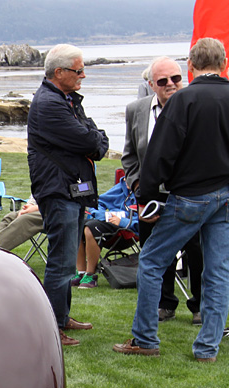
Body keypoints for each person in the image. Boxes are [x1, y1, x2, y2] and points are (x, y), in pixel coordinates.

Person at [114, 38, 229, 362]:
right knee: (218, 270)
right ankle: (207, 348)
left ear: (190, 66)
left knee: (151, 262)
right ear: (223, 64)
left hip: (190, 196)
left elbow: (159, 155)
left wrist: (148, 199)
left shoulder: (184, 101)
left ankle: (145, 338)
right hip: (225, 196)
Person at [27, 43, 109, 347]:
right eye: (78, 70)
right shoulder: (50, 104)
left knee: (66, 262)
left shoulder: (66, 99)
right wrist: (93, 141)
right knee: (60, 262)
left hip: (71, 189)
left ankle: (61, 317)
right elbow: (86, 138)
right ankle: (52, 328)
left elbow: (93, 136)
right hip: (58, 190)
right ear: (59, 72)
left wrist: (93, 140)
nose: (83, 75)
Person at [122, 57, 203, 323]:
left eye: (176, 79)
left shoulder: (197, 105)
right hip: (150, 196)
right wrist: (137, 187)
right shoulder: (137, 110)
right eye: (163, 81)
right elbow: (130, 155)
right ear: (151, 85)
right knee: (155, 252)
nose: (171, 85)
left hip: (189, 194)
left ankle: (200, 305)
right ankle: (164, 303)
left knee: (196, 251)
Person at [72, 178, 137, 288]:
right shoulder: (120, 188)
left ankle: (90, 275)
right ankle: (81, 273)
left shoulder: (146, 192)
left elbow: (146, 220)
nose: (126, 180)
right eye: (126, 176)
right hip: (109, 222)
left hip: (128, 230)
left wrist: (123, 221)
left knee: (91, 227)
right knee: (77, 225)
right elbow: (97, 202)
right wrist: (104, 215)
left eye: (130, 176)